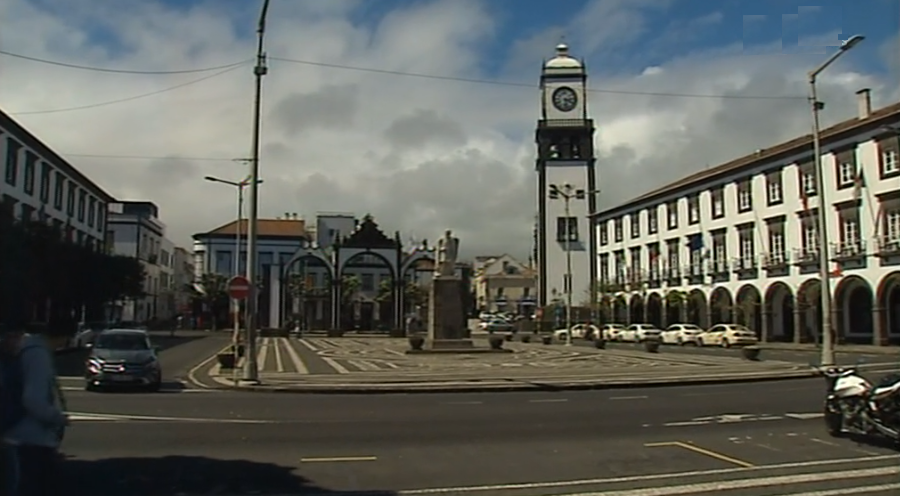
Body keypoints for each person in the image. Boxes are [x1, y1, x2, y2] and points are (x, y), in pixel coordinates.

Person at [0, 326, 68, 496]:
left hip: (14, 435)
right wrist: (57, 418)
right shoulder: (37, 354)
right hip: (32, 440)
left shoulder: (24, 351)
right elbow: (33, 399)